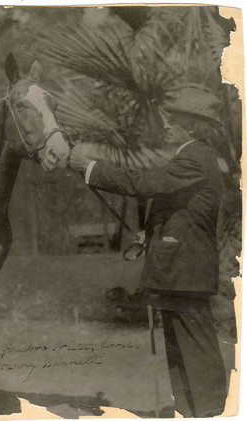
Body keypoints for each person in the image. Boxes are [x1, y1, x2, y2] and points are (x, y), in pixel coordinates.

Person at [69, 86, 228, 417]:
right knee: (183, 353)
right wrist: (150, 233)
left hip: (187, 271)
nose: (167, 124)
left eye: (174, 119)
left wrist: (90, 168)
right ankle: (192, 413)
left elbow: (146, 183)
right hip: (181, 270)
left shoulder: (195, 156)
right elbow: (182, 209)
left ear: (195, 125)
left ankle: (210, 414)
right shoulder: (193, 155)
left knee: (197, 352)